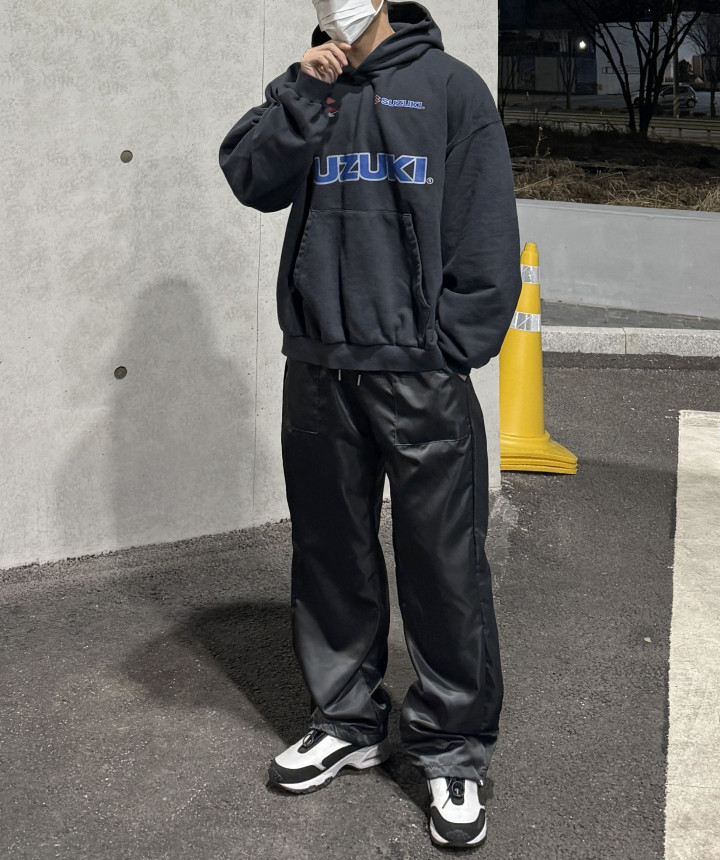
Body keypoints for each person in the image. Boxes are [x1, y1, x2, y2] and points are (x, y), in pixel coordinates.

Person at [219, 0, 521, 849]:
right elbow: (249, 177)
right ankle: (346, 719)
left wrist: (449, 349)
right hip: (319, 365)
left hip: (418, 374)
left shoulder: (451, 88)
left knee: (444, 566)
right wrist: (299, 91)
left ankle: (452, 750)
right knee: (330, 554)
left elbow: (487, 227)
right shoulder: (310, 87)